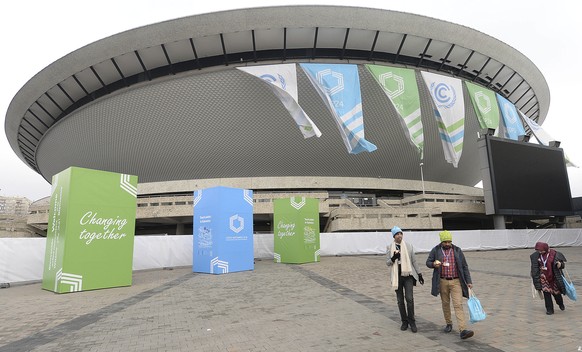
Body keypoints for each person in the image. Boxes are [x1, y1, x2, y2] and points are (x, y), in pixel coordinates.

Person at [426, 230, 474, 340]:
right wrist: (433, 264)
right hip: (442, 281)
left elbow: (465, 266)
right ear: (441, 241)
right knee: (445, 303)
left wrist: (469, 281)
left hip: (456, 281)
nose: (447, 244)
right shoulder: (436, 250)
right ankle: (448, 323)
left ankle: (463, 330)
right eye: (445, 242)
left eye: (449, 242)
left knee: (458, 304)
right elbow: (428, 262)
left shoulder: (457, 250)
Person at [386, 226, 424, 333]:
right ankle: (404, 321)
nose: (399, 235)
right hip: (397, 276)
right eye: (397, 234)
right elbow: (387, 262)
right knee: (400, 300)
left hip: (408, 276)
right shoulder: (389, 247)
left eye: (401, 233)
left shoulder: (408, 246)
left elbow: (414, 261)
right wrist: (393, 258)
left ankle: (412, 321)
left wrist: (420, 274)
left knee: (409, 299)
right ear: (394, 236)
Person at [530, 242, 567, 315]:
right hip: (543, 278)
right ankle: (549, 309)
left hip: (554, 277)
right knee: (546, 293)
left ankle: (560, 303)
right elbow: (534, 267)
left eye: (541, 250)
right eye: (538, 250)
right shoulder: (536, 256)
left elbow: (562, 265)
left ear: (546, 248)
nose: (540, 252)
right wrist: (534, 275)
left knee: (556, 293)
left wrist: (560, 265)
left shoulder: (554, 254)